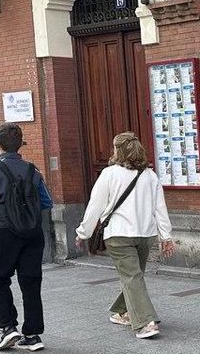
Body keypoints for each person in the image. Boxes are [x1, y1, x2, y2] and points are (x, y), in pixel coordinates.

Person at [75, 132, 175, 339]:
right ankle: (126, 312)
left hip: (119, 234)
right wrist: (166, 236)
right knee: (134, 275)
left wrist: (83, 233)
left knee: (132, 276)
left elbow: (95, 206)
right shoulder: (150, 175)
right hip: (146, 234)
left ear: (118, 150)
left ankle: (144, 322)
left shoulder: (110, 174)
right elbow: (160, 209)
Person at [0, 123, 53, 352]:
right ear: (20, 145)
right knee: (31, 281)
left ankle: (8, 327)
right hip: (32, 232)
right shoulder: (33, 170)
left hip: (4, 230)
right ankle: (33, 333)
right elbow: (46, 202)